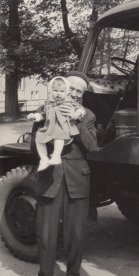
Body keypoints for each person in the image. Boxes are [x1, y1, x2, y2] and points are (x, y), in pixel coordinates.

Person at [31, 71, 97, 276]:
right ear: (63, 87)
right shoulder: (45, 108)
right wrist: (51, 130)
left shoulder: (87, 115)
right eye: (72, 88)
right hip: (50, 177)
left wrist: (75, 121)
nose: (75, 94)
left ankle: (73, 273)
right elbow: (33, 147)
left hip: (77, 180)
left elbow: (92, 146)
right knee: (46, 234)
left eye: (80, 91)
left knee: (76, 235)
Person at [27, 76, 86, 171]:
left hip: (62, 127)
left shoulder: (68, 101)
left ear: (66, 92)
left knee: (59, 135)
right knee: (39, 137)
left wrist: (75, 114)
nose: (58, 94)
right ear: (50, 90)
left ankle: (56, 155)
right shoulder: (48, 103)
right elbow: (43, 115)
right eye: (55, 90)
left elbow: (81, 109)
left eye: (62, 91)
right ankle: (44, 159)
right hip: (49, 128)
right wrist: (35, 116)